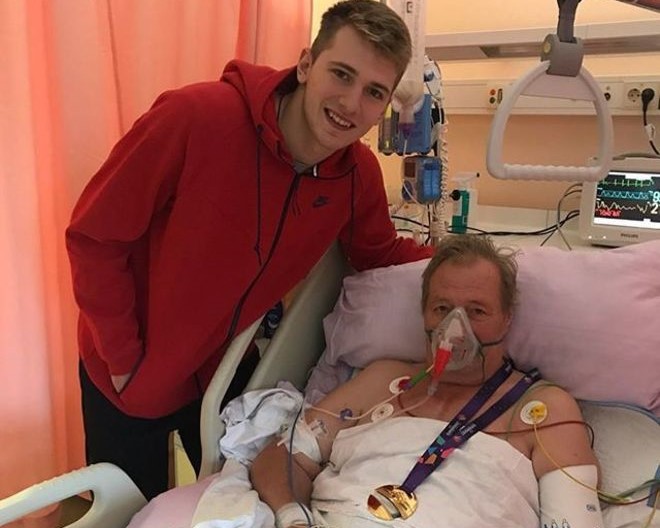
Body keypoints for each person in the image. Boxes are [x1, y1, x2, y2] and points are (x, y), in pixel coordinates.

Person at [64, 0, 433, 500]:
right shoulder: (196, 118)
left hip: (219, 368)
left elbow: (377, 253)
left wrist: (463, 261)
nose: (351, 103)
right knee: (129, 511)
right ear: (305, 65)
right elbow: (96, 236)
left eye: (373, 92)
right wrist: (123, 359)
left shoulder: (355, 176)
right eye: (341, 74)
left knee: (233, 500)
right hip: (129, 364)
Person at [251, 234, 604, 528]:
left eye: (477, 311)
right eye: (442, 309)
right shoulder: (381, 381)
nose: (455, 327)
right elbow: (281, 457)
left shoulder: (544, 409)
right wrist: (293, 518)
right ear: (425, 314)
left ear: (506, 318)